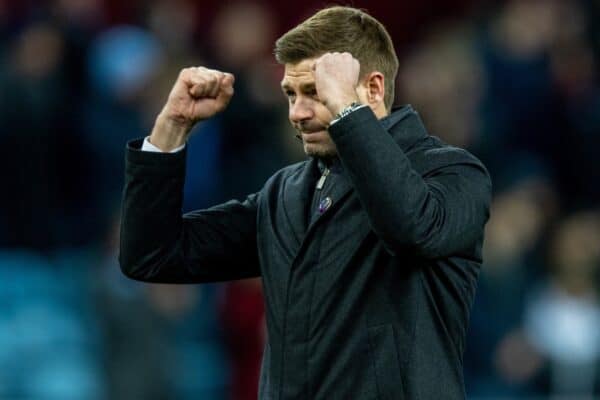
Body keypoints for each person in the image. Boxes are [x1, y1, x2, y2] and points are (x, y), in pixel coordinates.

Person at [119, 6, 492, 399]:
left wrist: (349, 113)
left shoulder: (454, 174)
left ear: (373, 89)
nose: (297, 113)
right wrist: (170, 129)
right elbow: (153, 254)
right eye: (290, 94)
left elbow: (411, 228)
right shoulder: (287, 193)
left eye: (315, 92)